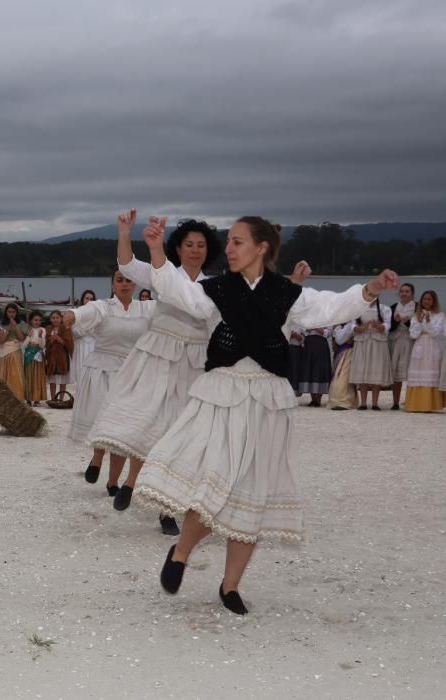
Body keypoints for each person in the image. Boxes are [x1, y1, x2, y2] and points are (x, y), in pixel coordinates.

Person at [132, 215, 397, 615]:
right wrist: (154, 249)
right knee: (214, 486)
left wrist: (372, 288)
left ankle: (230, 586)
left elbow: (331, 307)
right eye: (230, 242)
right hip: (222, 395)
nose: (230, 249)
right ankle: (182, 551)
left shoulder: (289, 294)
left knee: (254, 496)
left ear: (262, 248)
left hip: (269, 402)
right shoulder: (214, 290)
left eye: (238, 242)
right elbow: (176, 291)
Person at [89, 214, 219, 531]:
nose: (195, 249)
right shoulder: (163, 274)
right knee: (148, 421)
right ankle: (131, 480)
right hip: (158, 357)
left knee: (183, 435)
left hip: (194, 364)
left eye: (201, 245)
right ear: (178, 247)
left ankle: (167, 510)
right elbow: (128, 264)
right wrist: (124, 232)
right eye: (189, 244)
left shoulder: (215, 285)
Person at [66, 269, 155, 497]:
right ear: (113, 284)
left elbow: (174, 313)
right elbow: (81, 312)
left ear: (135, 284)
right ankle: (97, 458)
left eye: (128, 280)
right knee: (102, 419)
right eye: (119, 280)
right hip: (102, 369)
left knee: (123, 430)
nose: (124, 284)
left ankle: (113, 481)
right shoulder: (102, 306)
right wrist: (71, 315)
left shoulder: (146, 308)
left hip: (131, 371)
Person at [404, 291, 444, 412]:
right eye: (424, 299)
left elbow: (437, 332)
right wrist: (420, 322)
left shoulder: (440, 315)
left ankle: (431, 404)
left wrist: (428, 322)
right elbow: (413, 334)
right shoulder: (416, 316)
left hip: (433, 345)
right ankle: (416, 404)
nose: (426, 301)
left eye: (429, 299)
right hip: (420, 345)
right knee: (419, 371)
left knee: (432, 371)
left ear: (434, 301)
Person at [350, 299, 393, 410]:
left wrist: (378, 326)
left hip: (377, 343)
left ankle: (375, 403)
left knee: (376, 370)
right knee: (362, 370)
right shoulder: (357, 308)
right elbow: (352, 326)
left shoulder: (384, 308)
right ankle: (363, 403)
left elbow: (388, 325)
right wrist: (362, 327)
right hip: (362, 341)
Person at [388, 283, 416, 410]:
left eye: (407, 291)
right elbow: (389, 327)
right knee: (396, 373)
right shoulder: (393, 307)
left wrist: (407, 321)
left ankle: (411, 400)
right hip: (395, 340)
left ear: (412, 293)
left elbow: (419, 326)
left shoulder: (417, 307)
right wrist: (396, 321)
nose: (404, 293)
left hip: (410, 340)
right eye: (402, 291)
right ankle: (395, 402)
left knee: (412, 372)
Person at [0, 303, 28, 399]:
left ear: (16, 313)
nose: (11, 314)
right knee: (3, 374)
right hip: (4, 351)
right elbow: (1, 340)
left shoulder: (21, 323)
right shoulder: (2, 323)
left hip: (15, 350)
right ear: (6, 312)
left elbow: (22, 338)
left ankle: (17, 396)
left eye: (13, 312)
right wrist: (10, 328)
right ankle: (4, 396)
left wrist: (16, 326)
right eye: (9, 312)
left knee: (15, 374)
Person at [297, 327, 333, 407]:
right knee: (310, 369)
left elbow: (328, 333)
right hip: (309, 344)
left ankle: (318, 399)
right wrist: (306, 329)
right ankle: (313, 399)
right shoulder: (308, 315)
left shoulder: (327, 316)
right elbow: (302, 330)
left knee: (320, 369)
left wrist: (316, 328)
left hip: (321, 344)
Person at [70, 290, 97, 388]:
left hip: (93, 346)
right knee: (80, 372)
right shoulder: (77, 313)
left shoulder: (97, 314)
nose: (89, 301)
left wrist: (85, 328)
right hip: (80, 345)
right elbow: (75, 331)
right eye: (87, 298)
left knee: (92, 373)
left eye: (91, 299)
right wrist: (88, 328)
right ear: (82, 300)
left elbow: (98, 332)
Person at [45, 309, 74, 402]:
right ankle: (53, 398)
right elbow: (46, 342)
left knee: (62, 380)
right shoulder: (48, 328)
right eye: (53, 318)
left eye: (57, 317)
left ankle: (61, 399)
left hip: (62, 356)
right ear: (50, 319)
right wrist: (51, 340)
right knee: (52, 380)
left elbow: (69, 342)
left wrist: (58, 338)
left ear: (61, 318)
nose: (55, 320)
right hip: (52, 356)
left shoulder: (66, 328)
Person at [327, 321, 358, 410]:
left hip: (349, 353)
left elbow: (341, 340)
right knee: (338, 376)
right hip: (340, 353)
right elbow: (338, 341)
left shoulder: (352, 324)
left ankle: (344, 401)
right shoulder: (338, 326)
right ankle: (338, 400)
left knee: (343, 377)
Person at [22, 310, 47, 406]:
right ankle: (28, 399)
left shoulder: (43, 330)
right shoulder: (28, 329)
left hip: (38, 355)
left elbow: (42, 345)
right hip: (29, 354)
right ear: (31, 321)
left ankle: (37, 399)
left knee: (38, 376)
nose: (37, 322)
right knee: (28, 375)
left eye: (39, 320)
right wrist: (28, 336)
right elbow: (24, 345)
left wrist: (41, 337)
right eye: (35, 320)